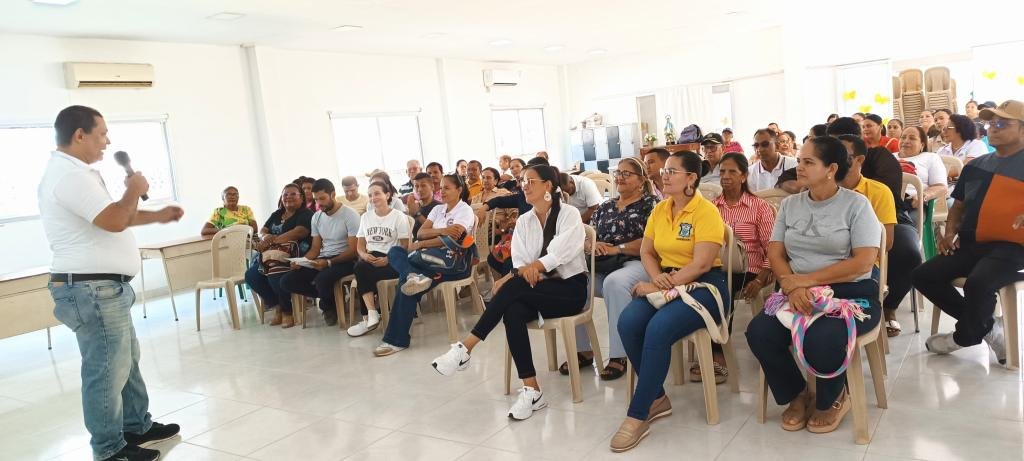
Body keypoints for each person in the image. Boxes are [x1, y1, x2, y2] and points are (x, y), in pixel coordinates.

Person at [40, 105, 183, 461]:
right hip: (91, 289)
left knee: (126, 360)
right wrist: (134, 187)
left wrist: (159, 215)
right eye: (102, 133)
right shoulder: (69, 176)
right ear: (79, 134)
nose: (108, 141)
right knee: (106, 368)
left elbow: (115, 215)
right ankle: (108, 450)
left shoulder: (78, 173)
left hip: (103, 288)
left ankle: (136, 424)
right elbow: (114, 220)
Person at [745, 136, 882, 436]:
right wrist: (791, 288)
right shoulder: (790, 205)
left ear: (831, 168)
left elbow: (862, 263)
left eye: (809, 162)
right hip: (795, 291)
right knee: (760, 332)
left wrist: (804, 281)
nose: (800, 166)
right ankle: (796, 394)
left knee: (823, 336)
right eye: (800, 160)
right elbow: (775, 252)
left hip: (850, 294)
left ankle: (833, 397)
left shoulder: (856, 205)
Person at [430, 165, 588, 421]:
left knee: (511, 285)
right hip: (534, 288)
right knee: (512, 311)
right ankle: (532, 389)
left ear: (548, 185)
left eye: (530, 181)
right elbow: (519, 261)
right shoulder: (525, 220)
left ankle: (466, 347)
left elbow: (561, 253)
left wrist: (535, 267)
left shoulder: (568, 214)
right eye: (522, 181)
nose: (523, 185)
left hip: (569, 289)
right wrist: (527, 270)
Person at [608, 151, 730, 452]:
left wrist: (660, 283)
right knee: (628, 322)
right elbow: (647, 252)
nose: (664, 174)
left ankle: (638, 413)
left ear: (691, 178)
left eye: (673, 170)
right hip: (668, 281)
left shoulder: (706, 212)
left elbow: (702, 264)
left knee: (658, 329)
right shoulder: (660, 209)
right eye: (664, 170)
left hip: (705, 286)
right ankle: (658, 397)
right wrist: (657, 279)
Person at [914, 100, 1024, 363]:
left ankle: (962, 337)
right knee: (922, 275)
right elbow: (958, 207)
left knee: (978, 283)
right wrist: (950, 232)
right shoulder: (975, 166)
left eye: (1002, 124)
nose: (992, 129)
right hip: (972, 244)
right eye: (990, 123)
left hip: (1014, 247)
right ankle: (988, 329)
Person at [568, 157, 659, 381]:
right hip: (603, 264)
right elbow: (588, 234)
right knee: (575, 281)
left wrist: (617, 249)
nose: (620, 177)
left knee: (615, 283)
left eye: (627, 174)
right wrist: (593, 244)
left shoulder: (652, 205)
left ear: (641, 180)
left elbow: (654, 243)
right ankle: (583, 349)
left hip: (637, 263)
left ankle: (620, 355)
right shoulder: (606, 206)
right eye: (618, 173)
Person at [374, 174, 477, 356]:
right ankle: (414, 276)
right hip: (428, 263)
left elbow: (454, 239)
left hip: (453, 265)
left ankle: (396, 340)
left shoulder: (464, 210)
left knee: (404, 284)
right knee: (395, 252)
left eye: (447, 188)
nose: (442, 191)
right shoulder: (438, 210)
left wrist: (423, 243)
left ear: (459, 190)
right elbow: (421, 232)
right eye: (441, 188)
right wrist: (443, 231)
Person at [698, 153, 776, 383]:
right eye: (722, 171)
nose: (726, 176)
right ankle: (702, 345)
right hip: (716, 265)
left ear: (744, 176)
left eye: (732, 171)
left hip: (750, 267)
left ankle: (718, 354)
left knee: (722, 288)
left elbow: (772, 248)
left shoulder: (759, 207)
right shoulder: (711, 208)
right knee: (704, 284)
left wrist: (761, 279)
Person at [837, 135, 918, 337]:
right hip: (834, 259)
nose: (834, 159)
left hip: (895, 215)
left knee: (908, 254)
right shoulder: (821, 188)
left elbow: (886, 242)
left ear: (859, 159)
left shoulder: (880, 166)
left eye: (842, 155)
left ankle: (889, 307)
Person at [279, 179, 360, 326]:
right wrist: (302, 261)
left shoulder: (350, 215)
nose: (319, 203)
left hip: (346, 260)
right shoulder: (316, 216)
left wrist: (329, 263)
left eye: (322, 199)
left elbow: (353, 251)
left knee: (322, 279)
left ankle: (327, 306)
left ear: (333, 194)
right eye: (316, 199)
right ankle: (332, 299)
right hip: (323, 258)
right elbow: (315, 249)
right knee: (286, 281)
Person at [346, 181, 412, 337]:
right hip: (371, 258)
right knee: (361, 267)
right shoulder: (366, 217)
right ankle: (372, 313)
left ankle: (369, 316)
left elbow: (405, 246)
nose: (373, 197)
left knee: (361, 271)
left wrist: (388, 259)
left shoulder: (398, 216)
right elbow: (360, 245)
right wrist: (364, 255)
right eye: (370, 195)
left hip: (393, 260)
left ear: (387, 195)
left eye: (377, 193)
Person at [245, 183, 314, 328]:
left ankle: (288, 311)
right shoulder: (277, 214)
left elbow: (299, 232)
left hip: (295, 253)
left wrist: (273, 240)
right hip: (272, 254)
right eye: (285, 194)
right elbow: (263, 230)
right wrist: (265, 238)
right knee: (251, 275)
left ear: (301, 197)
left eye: (293, 194)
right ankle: (277, 306)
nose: (288, 197)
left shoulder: (306, 214)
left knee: (274, 272)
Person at [897, 126, 949, 230]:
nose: (906, 141)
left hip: (913, 205)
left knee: (904, 228)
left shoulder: (931, 158)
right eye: (903, 137)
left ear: (922, 145)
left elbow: (941, 187)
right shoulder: (889, 157)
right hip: (888, 203)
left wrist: (923, 195)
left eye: (912, 138)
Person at [472, 167, 515, 237]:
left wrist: (502, 230)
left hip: (496, 235)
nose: (485, 180)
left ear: (496, 180)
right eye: (483, 177)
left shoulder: (503, 193)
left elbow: (514, 213)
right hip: (476, 235)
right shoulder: (475, 198)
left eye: (488, 178)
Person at [405, 172, 443, 238]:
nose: (419, 189)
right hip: (414, 244)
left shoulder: (440, 207)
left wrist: (417, 214)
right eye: (416, 186)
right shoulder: (414, 206)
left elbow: (438, 232)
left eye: (423, 185)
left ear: (432, 187)